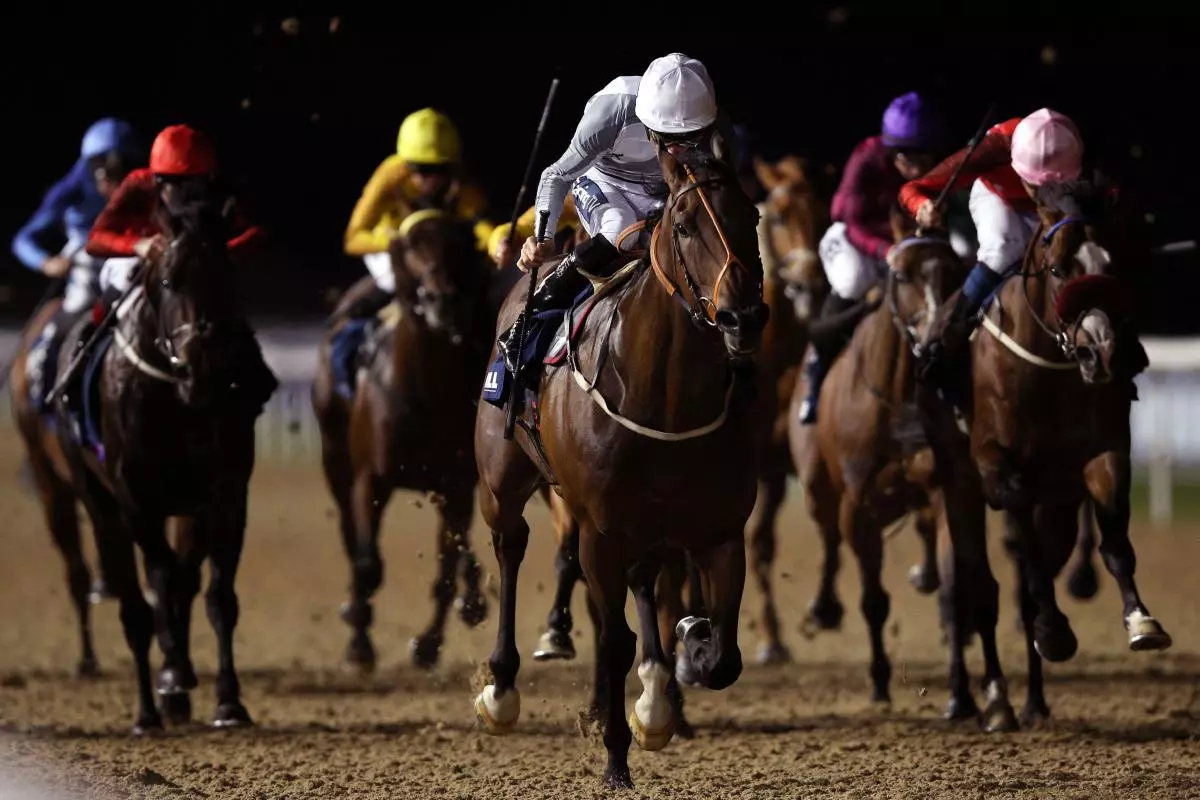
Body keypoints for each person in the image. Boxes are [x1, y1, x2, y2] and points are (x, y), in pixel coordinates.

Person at [495, 52, 737, 370]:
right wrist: (544, 237)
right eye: (665, 138)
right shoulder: (614, 111)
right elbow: (556, 175)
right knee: (621, 229)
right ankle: (534, 315)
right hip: (604, 180)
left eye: (688, 138)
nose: (677, 149)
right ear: (646, 117)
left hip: (664, 190)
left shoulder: (717, 125)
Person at [83, 123, 277, 410]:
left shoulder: (221, 194)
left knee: (221, 301)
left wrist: (217, 253)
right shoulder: (138, 184)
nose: (186, 194)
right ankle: (85, 357)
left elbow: (257, 234)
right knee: (119, 287)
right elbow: (95, 240)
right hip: (143, 260)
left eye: (195, 185)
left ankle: (252, 377)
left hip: (195, 266)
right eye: (175, 184)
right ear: (157, 180)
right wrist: (138, 245)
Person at [898, 108, 1084, 391]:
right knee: (1003, 250)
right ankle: (950, 335)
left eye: (1053, 184)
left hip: (1055, 205)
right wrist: (921, 208)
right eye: (1036, 184)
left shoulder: (1071, 147)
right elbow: (913, 188)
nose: (1042, 192)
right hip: (999, 198)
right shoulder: (995, 149)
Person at [798, 91, 947, 424]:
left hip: (901, 243)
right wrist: (886, 251)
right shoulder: (865, 159)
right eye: (912, 159)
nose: (921, 168)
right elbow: (854, 224)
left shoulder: (923, 164)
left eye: (927, 157)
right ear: (893, 151)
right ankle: (817, 366)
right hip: (852, 236)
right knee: (854, 279)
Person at [14, 118, 142, 409]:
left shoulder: (142, 186)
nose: (112, 173)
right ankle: (43, 396)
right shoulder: (70, 190)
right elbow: (23, 240)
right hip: (87, 266)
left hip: (131, 259)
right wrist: (47, 263)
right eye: (104, 164)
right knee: (60, 326)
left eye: (123, 164)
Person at [340, 108, 495, 323]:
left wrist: (495, 244)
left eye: (440, 169)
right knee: (392, 280)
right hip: (393, 247)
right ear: (406, 165)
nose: (431, 179)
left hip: (438, 251)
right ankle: (353, 333)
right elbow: (353, 238)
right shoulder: (389, 177)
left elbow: (482, 225)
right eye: (421, 169)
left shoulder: (459, 181)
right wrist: (393, 241)